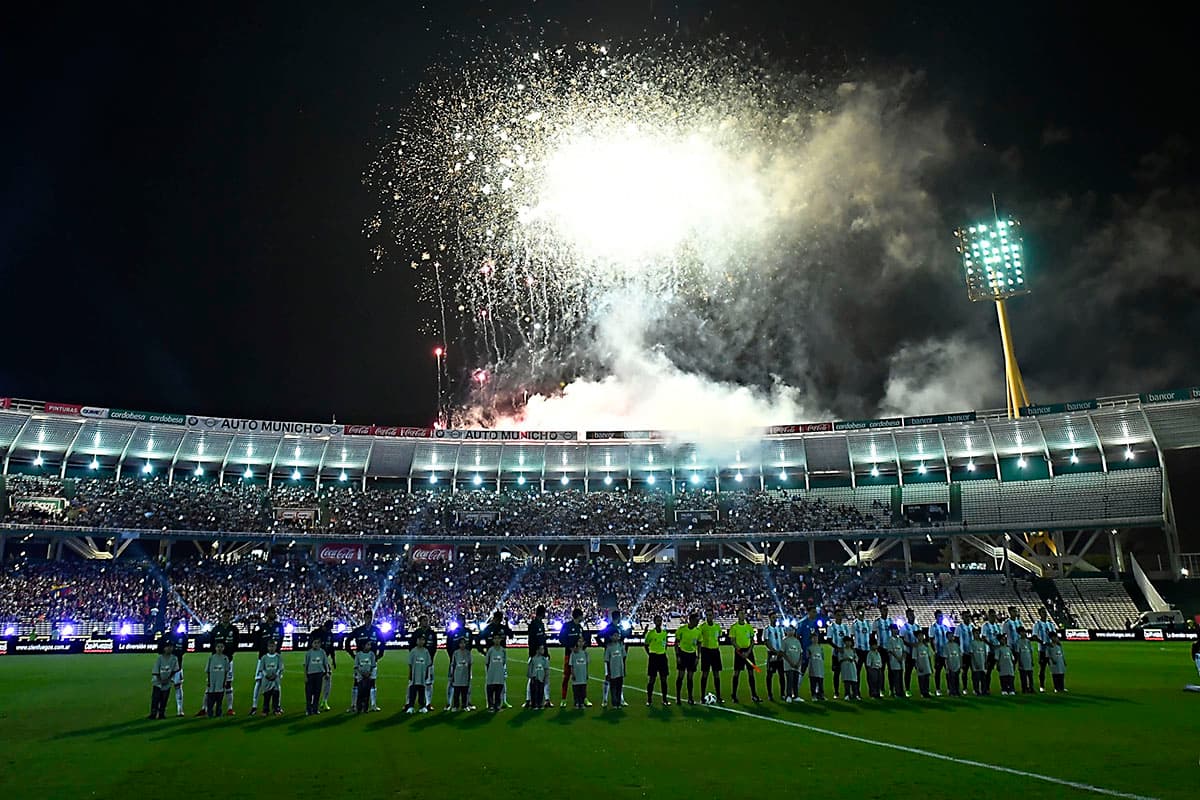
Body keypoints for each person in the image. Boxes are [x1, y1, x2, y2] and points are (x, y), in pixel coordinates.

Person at [346, 611, 383, 712]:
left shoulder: (376, 630)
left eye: (370, 617)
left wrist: (380, 655)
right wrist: (352, 654)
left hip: (372, 662)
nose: (369, 619)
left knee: (372, 682)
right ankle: (353, 705)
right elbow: (347, 641)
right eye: (367, 617)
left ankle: (373, 705)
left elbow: (383, 642)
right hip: (360, 662)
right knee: (356, 683)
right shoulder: (358, 630)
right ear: (364, 618)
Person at [248, 606, 282, 715]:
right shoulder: (261, 626)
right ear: (267, 614)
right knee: (258, 681)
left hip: (276, 658)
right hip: (263, 657)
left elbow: (280, 640)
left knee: (277, 682)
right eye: (272, 612)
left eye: (274, 612)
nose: (274, 614)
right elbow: (255, 640)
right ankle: (254, 706)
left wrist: (276, 652)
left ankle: (277, 706)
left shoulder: (279, 626)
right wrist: (263, 651)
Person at [205, 608, 239, 717]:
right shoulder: (216, 629)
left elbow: (236, 643)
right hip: (215, 661)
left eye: (228, 616)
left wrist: (230, 654)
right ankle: (205, 708)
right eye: (224, 615)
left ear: (230, 617)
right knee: (211, 684)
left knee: (228, 683)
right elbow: (211, 643)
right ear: (221, 617)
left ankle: (229, 708)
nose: (226, 617)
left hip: (228, 660)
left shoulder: (234, 629)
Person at [158, 618, 189, 717]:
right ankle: (161, 711)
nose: (175, 626)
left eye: (177, 624)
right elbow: (159, 649)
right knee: (164, 688)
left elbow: (184, 649)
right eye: (174, 624)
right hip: (166, 667)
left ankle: (180, 709)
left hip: (177, 666)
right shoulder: (166, 636)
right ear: (170, 625)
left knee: (178, 687)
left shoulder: (183, 636)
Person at [729, 611, 761, 703]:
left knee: (751, 673)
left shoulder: (749, 627)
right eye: (741, 614)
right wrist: (740, 651)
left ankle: (754, 695)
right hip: (739, 652)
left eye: (744, 614)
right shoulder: (734, 627)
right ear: (737, 615)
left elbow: (752, 640)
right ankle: (734, 695)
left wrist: (748, 651)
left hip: (748, 652)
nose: (743, 615)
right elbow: (733, 641)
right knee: (736, 673)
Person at [559, 608, 588, 707]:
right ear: (578, 616)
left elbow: (583, 640)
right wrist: (571, 648)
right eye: (582, 616)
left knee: (582, 677)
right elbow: (561, 639)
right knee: (566, 677)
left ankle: (584, 698)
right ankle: (563, 699)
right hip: (569, 654)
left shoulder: (580, 627)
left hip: (579, 656)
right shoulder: (567, 626)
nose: (583, 618)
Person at [409, 616, 438, 709]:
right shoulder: (416, 633)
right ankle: (408, 703)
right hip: (417, 664)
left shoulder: (432, 633)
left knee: (428, 683)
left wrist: (430, 659)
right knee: (412, 683)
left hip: (428, 662)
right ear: (420, 622)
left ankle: (428, 703)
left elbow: (434, 647)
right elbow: (411, 647)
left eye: (427, 620)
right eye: (424, 620)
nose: (426, 622)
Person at [674, 612, 701, 705]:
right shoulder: (682, 629)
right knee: (680, 676)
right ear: (691, 620)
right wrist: (677, 655)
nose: (698, 622)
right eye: (696, 620)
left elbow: (699, 644)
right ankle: (678, 697)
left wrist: (698, 656)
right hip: (683, 654)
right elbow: (676, 643)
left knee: (690, 677)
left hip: (692, 655)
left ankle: (690, 697)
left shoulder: (698, 631)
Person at [643, 615, 671, 706]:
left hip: (662, 657)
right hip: (654, 657)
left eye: (660, 620)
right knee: (652, 679)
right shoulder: (651, 633)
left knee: (664, 679)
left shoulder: (664, 633)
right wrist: (650, 654)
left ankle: (664, 699)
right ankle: (649, 700)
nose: (660, 622)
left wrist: (662, 651)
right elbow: (646, 645)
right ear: (654, 622)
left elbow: (665, 644)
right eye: (658, 621)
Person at [525, 606, 549, 708]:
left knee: (544, 678)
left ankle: (546, 700)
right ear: (542, 613)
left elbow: (543, 640)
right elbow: (531, 641)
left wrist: (546, 652)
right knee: (533, 678)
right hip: (535, 655)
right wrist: (533, 653)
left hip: (542, 655)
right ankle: (529, 700)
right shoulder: (534, 625)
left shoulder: (541, 624)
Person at [698, 610, 724, 704]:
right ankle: (702, 696)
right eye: (707, 615)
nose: (709, 617)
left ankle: (719, 696)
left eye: (710, 615)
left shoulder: (717, 627)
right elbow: (699, 639)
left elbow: (719, 637)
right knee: (705, 674)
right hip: (705, 651)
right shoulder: (702, 627)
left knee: (716, 674)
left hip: (715, 651)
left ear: (713, 616)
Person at [444, 614, 469, 710]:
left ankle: (467, 703)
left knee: (467, 683)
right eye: (459, 620)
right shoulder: (452, 633)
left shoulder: (468, 632)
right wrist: (453, 658)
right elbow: (448, 646)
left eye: (462, 619)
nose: (461, 621)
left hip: (466, 663)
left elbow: (470, 646)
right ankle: (449, 703)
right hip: (454, 662)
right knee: (451, 682)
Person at [312, 619, 337, 712]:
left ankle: (324, 701)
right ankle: (313, 702)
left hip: (325, 660)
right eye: (328, 629)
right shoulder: (316, 633)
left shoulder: (330, 634)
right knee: (315, 682)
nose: (329, 631)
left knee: (328, 680)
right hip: (316, 660)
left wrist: (333, 660)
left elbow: (331, 647)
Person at [405, 634, 433, 714]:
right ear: (416, 641)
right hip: (414, 675)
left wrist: (427, 674)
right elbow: (410, 664)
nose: (421, 642)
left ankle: (422, 706)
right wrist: (410, 674)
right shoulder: (413, 651)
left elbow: (428, 664)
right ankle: (411, 706)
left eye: (423, 640)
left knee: (422, 691)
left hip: (422, 675)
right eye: (419, 640)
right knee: (413, 692)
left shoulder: (426, 651)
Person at [150, 641, 179, 720]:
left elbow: (174, 670)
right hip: (158, 683)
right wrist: (160, 680)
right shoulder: (159, 658)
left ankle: (161, 714)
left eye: (171, 647)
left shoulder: (174, 658)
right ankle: (153, 714)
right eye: (167, 647)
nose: (169, 649)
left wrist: (168, 679)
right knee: (155, 699)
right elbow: (156, 671)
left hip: (167, 682)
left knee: (164, 699)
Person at [1031, 608, 1058, 692]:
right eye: (1043, 612)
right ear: (1039, 614)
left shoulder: (1050, 624)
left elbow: (1054, 635)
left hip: (1051, 649)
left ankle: (1057, 687)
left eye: (1045, 612)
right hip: (1042, 650)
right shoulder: (1037, 624)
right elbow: (1034, 636)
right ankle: (1042, 686)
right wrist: (1043, 642)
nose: (1045, 614)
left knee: (1054, 668)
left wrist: (1056, 644)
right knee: (1042, 668)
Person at [306, 635, 333, 715]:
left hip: (319, 674)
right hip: (310, 674)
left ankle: (315, 709)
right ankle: (308, 709)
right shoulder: (309, 653)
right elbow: (306, 665)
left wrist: (327, 672)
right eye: (315, 643)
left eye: (318, 643)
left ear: (320, 644)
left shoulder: (322, 652)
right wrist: (305, 675)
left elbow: (325, 663)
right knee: (309, 692)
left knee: (317, 692)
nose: (316, 645)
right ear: (312, 644)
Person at [762, 615, 787, 702]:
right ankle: (770, 694)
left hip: (780, 654)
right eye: (773, 617)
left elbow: (783, 639)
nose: (775, 619)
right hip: (772, 654)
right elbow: (766, 641)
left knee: (781, 675)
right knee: (769, 675)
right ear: (769, 618)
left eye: (776, 617)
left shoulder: (780, 629)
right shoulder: (767, 629)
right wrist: (774, 651)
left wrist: (781, 651)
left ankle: (782, 694)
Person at [257, 639, 284, 716]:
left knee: (276, 695)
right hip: (266, 681)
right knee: (266, 696)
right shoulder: (264, 657)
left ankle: (276, 709)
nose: (271, 648)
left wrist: (276, 675)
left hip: (275, 681)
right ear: (267, 647)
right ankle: (265, 710)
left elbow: (280, 667)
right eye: (270, 646)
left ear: (275, 647)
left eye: (273, 646)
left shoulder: (278, 657)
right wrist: (266, 675)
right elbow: (262, 669)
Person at [204, 641, 231, 719]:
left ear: (223, 648)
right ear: (215, 648)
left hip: (221, 681)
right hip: (212, 681)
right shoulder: (211, 658)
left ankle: (218, 712)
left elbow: (226, 671)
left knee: (219, 699)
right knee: (211, 698)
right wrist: (208, 681)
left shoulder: (225, 658)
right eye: (218, 647)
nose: (219, 648)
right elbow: (208, 671)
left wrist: (225, 681)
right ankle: (210, 712)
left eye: (221, 647)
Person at [826, 609, 849, 699]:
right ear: (835, 616)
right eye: (838, 615)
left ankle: (847, 693)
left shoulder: (845, 627)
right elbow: (828, 640)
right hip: (836, 654)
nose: (840, 617)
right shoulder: (831, 627)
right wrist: (837, 648)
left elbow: (848, 639)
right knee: (836, 673)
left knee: (846, 673)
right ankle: (836, 692)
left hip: (845, 653)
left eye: (841, 615)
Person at [928, 611, 951, 696]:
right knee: (938, 671)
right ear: (936, 617)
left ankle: (949, 688)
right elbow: (931, 639)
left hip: (946, 653)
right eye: (939, 616)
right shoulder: (933, 627)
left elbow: (949, 638)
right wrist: (935, 651)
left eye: (941, 616)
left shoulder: (945, 627)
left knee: (948, 670)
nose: (941, 618)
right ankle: (938, 689)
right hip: (939, 652)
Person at [450, 638, 475, 711]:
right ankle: (455, 706)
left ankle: (465, 705)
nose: (462, 645)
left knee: (465, 692)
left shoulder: (468, 653)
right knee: (456, 692)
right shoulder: (456, 653)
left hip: (465, 675)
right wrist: (452, 675)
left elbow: (470, 664)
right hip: (457, 675)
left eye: (464, 643)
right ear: (459, 644)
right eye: (461, 643)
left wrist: (470, 675)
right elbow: (453, 664)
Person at [484, 633, 507, 712]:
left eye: (498, 638)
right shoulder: (490, 650)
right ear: (493, 640)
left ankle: (497, 706)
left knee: (498, 691)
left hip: (499, 674)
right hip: (492, 674)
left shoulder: (503, 650)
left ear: (501, 639)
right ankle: (490, 705)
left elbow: (504, 662)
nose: (497, 640)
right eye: (495, 638)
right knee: (490, 690)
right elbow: (487, 662)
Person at [604, 631, 627, 709]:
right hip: (613, 671)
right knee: (613, 687)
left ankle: (618, 702)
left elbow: (624, 657)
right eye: (615, 635)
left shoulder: (621, 646)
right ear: (611, 637)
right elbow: (607, 660)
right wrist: (608, 672)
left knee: (619, 687)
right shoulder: (609, 647)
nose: (617, 637)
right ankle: (614, 703)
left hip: (620, 670)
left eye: (618, 636)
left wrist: (624, 669)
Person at [781, 626, 804, 702]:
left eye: (792, 630)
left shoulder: (797, 641)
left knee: (796, 680)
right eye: (789, 630)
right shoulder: (785, 641)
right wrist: (790, 662)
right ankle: (788, 695)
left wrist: (799, 663)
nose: (791, 632)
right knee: (789, 680)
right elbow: (783, 653)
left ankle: (796, 695)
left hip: (797, 665)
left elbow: (801, 653)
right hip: (788, 665)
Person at [899, 608, 919, 692]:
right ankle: (907, 689)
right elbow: (901, 639)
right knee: (908, 671)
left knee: (921, 670)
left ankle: (924, 689)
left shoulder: (917, 626)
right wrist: (910, 645)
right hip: (908, 652)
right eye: (910, 615)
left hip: (917, 652)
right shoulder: (904, 627)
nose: (912, 616)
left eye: (913, 614)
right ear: (907, 616)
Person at [528, 644, 550, 710]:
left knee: (540, 691)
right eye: (541, 649)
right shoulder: (533, 659)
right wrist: (530, 676)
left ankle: (540, 704)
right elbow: (530, 669)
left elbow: (546, 668)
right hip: (534, 677)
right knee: (534, 691)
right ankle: (534, 704)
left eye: (543, 649)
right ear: (537, 650)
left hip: (541, 677)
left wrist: (546, 676)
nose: (543, 650)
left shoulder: (544, 659)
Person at [569, 639, 590, 709]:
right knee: (576, 690)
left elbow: (586, 664)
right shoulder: (573, 653)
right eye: (579, 641)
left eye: (582, 642)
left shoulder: (585, 653)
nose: (581, 643)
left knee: (583, 690)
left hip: (583, 675)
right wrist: (573, 674)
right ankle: (576, 703)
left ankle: (581, 703)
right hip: (576, 675)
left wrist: (587, 673)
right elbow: (571, 665)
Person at [957, 612, 975, 692]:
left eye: (968, 616)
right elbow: (957, 639)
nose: (967, 618)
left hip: (973, 652)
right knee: (964, 671)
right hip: (964, 653)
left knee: (974, 671)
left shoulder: (972, 626)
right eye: (965, 617)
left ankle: (975, 688)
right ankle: (964, 688)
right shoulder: (959, 627)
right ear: (962, 618)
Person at [886, 624, 905, 698]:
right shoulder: (890, 640)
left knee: (900, 677)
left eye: (896, 629)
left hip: (900, 661)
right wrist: (897, 658)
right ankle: (897, 692)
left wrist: (902, 657)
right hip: (894, 661)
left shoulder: (900, 640)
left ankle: (901, 691)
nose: (896, 631)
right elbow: (890, 651)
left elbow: (903, 650)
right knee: (896, 677)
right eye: (894, 629)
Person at [914, 631, 934, 698]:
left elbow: (929, 656)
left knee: (927, 679)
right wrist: (918, 666)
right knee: (921, 679)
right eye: (919, 636)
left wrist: (930, 666)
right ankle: (922, 692)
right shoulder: (916, 646)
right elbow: (915, 658)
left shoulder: (926, 646)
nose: (921, 637)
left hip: (926, 664)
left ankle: (927, 691)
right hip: (920, 665)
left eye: (922, 636)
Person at [1015, 628, 1035, 694]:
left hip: (1028, 660)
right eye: (1022, 632)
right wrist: (1019, 662)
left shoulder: (1028, 641)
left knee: (1030, 676)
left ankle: (1031, 688)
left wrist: (1032, 660)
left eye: (1024, 632)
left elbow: (1031, 651)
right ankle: (1024, 689)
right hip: (1023, 661)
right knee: (1023, 677)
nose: (1023, 633)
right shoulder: (1018, 642)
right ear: (1019, 633)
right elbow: (1017, 652)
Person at [807, 634, 825, 701]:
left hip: (820, 667)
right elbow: (808, 657)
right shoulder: (809, 648)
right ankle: (813, 695)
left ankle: (821, 695)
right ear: (811, 639)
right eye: (813, 638)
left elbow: (822, 657)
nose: (815, 639)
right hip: (813, 667)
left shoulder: (820, 647)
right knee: (813, 683)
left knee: (820, 683)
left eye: (816, 638)